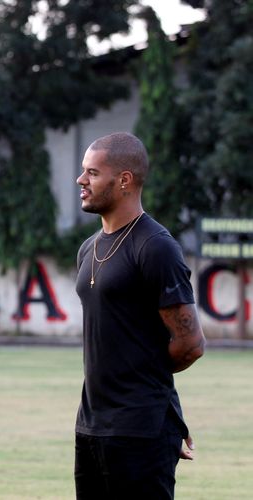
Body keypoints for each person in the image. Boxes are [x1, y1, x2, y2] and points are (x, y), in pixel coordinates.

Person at [74, 132, 207, 499]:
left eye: (92, 173)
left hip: (141, 429)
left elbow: (190, 344)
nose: (81, 181)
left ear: (124, 180)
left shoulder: (156, 247)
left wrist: (149, 395)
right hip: (91, 424)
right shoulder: (88, 248)